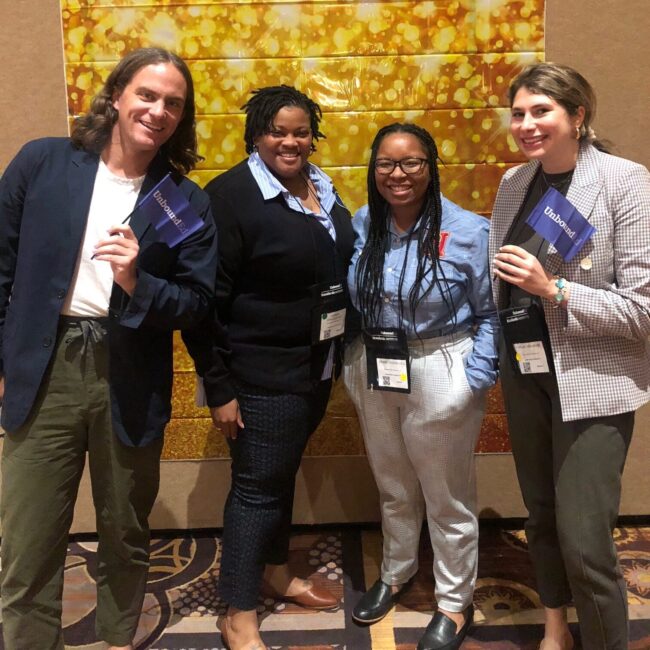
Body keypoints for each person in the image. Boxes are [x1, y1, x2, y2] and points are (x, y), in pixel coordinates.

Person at [0, 47, 217, 650]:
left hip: (131, 373)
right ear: (117, 95)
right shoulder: (44, 162)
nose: (158, 110)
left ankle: (119, 638)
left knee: (124, 529)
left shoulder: (182, 201)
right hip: (46, 365)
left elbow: (197, 303)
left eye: (173, 103)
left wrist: (136, 281)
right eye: (146, 94)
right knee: (28, 536)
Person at [186, 85, 356, 650]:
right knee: (256, 492)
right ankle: (238, 613)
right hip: (260, 376)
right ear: (255, 134)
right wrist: (219, 387)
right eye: (276, 131)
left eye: (301, 132)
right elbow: (205, 304)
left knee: (278, 478)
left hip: (314, 367)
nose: (290, 141)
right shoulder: (230, 197)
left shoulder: (319, 185)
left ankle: (276, 572)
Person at [490, 62, 650, 650]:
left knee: (584, 539)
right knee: (540, 515)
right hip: (525, 372)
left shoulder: (625, 182)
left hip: (594, 381)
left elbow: (643, 311)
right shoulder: (514, 183)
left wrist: (554, 288)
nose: (527, 125)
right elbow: (499, 283)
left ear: (578, 115)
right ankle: (555, 624)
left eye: (542, 111)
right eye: (518, 113)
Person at [343, 122, 498, 650]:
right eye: (387, 163)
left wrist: (474, 379)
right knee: (392, 484)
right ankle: (396, 570)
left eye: (411, 162)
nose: (398, 174)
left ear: (431, 167)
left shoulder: (470, 231)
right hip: (377, 365)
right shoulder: (366, 222)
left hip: (441, 366)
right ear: (374, 169)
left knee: (446, 496)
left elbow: (492, 312)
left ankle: (454, 601)